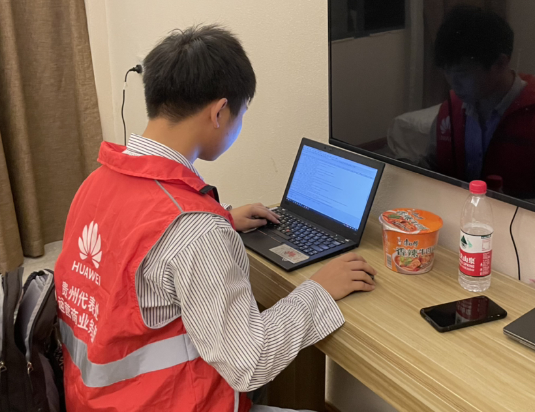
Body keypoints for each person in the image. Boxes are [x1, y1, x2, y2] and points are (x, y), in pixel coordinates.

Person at [53, 25, 377, 412]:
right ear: (219, 112)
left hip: (94, 400)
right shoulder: (196, 231)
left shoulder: (95, 183)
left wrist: (221, 219)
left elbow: (136, 241)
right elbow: (250, 362)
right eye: (242, 114)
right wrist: (319, 290)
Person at [426, 5, 535, 206]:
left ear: (501, 63)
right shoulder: (451, 111)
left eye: (462, 74)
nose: (453, 84)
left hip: (515, 224)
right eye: (446, 72)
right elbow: (432, 166)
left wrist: (502, 206)